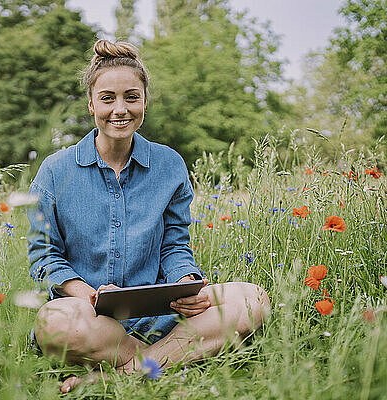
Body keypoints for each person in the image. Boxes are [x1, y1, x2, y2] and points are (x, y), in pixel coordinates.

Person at [26, 39, 271, 393]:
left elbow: (175, 245)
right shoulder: (55, 170)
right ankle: (169, 363)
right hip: (89, 318)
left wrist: (189, 283)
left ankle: (125, 372)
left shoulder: (169, 164)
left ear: (144, 100)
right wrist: (89, 295)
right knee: (54, 323)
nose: (120, 109)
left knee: (252, 300)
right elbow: (45, 257)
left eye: (131, 97)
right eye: (108, 98)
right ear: (91, 102)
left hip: (160, 317)